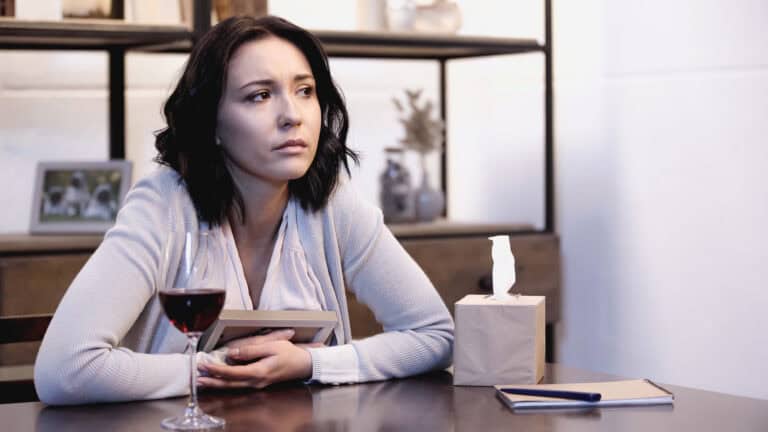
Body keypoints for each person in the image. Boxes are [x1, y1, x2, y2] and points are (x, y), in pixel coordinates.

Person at [34, 15, 454, 405]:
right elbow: (65, 369)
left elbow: (435, 335)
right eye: (260, 96)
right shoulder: (163, 205)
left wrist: (310, 364)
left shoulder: (333, 202)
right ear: (212, 122)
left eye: (304, 91)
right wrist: (220, 367)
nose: (292, 116)